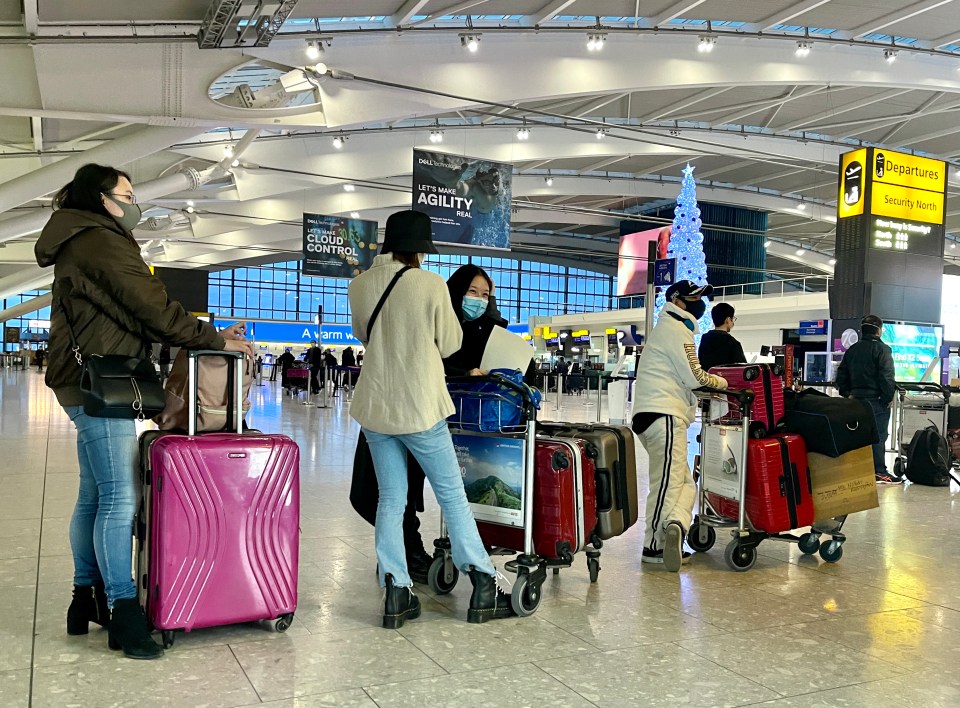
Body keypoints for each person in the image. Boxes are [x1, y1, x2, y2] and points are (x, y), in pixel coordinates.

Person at [34, 163, 253, 660]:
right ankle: (121, 610)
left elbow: (131, 310)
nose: (135, 203)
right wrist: (215, 338)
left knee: (94, 493)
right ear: (101, 198)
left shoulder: (79, 238)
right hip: (99, 381)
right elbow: (152, 307)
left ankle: (83, 598)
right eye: (127, 194)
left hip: (84, 379)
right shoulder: (99, 240)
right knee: (120, 494)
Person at [349, 209, 514, 628]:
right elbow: (449, 344)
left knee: (392, 498)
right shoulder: (429, 283)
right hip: (419, 405)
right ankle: (482, 582)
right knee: (452, 495)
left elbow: (362, 334)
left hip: (375, 408)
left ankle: (396, 590)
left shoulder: (361, 284)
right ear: (421, 249)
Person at [632, 280, 728, 572]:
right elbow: (695, 376)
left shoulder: (670, 329)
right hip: (664, 413)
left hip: (657, 413)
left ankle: (675, 524)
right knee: (666, 484)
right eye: (696, 298)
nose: (701, 303)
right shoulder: (676, 331)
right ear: (678, 301)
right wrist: (722, 382)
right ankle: (654, 545)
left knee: (685, 482)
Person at [835, 315, 898, 484]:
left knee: (857, 436)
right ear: (879, 330)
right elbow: (886, 376)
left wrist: (847, 393)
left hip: (855, 401)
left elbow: (841, 376)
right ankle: (878, 471)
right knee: (878, 436)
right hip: (876, 401)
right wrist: (887, 398)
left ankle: (858, 471)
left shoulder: (852, 350)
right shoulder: (883, 350)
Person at [697, 302, 747, 372]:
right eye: (733, 319)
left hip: (706, 381)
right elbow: (742, 370)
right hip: (725, 382)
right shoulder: (733, 343)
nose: (733, 323)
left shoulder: (705, 339)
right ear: (728, 320)